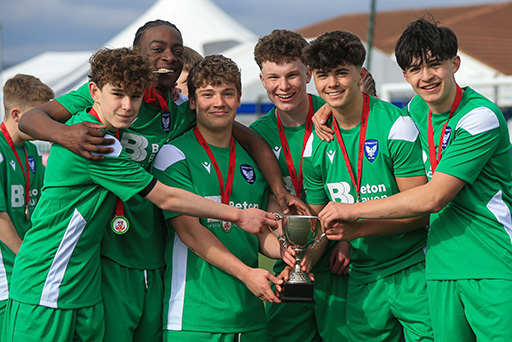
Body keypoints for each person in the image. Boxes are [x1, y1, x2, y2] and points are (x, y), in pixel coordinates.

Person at [17, 20, 300, 342]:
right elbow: (31, 119)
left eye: (176, 51)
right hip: (89, 261)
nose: (168, 57)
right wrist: (64, 134)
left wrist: (279, 191)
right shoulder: (94, 133)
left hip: (145, 257)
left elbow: (249, 138)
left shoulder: (180, 108)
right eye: (157, 49)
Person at [316, 19, 512, 342]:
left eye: (435, 65)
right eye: (415, 69)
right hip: (438, 268)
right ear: (405, 76)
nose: (426, 77)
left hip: (491, 263)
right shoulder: (414, 111)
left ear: (455, 64)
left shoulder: (481, 117)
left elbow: (432, 197)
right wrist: (328, 107)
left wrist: (353, 211)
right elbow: (368, 109)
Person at [302, 30, 433, 341]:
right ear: (313, 79)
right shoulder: (314, 146)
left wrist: (356, 229)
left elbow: (422, 211)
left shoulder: (395, 126)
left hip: (414, 268)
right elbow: (320, 221)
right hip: (363, 278)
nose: (332, 83)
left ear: (360, 75)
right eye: (323, 75)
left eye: (341, 73)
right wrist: (302, 256)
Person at [153, 54, 286, 342]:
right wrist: (247, 274)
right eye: (207, 94)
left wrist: (290, 253)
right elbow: (190, 231)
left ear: (239, 99)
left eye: (227, 93)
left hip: (250, 316)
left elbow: (260, 234)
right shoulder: (173, 155)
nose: (219, 102)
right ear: (192, 101)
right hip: (194, 318)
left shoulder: (251, 159)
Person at [250, 29, 349, 342]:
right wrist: (284, 243)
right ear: (262, 79)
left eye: (292, 75)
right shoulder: (256, 134)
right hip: (289, 262)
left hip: (342, 257)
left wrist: (351, 239)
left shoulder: (339, 116)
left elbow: (367, 184)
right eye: (273, 77)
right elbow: (261, 198)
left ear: (308, 73)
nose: (283, 86)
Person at [0, 74, 53, 327]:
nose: (46, 122)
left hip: (24, 266)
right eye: (39, 115)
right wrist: (28, 257)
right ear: (17, 115)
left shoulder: (31, 150)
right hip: (6, 271)